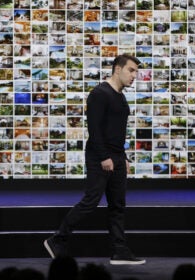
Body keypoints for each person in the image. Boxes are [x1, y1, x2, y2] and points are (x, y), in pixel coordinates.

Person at [44, 54, 146, 265]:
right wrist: (104, 157)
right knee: (90, 202)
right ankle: (57, 240)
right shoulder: (99, 93)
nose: (135, 75)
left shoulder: (120, 95)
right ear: (117, 69)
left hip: (117, 156)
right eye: (131, 70)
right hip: (100, 157)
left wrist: (123, 156)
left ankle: (119, 250)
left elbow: (117, 130)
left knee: (118, 205)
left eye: (136, 71)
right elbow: (95, 129)